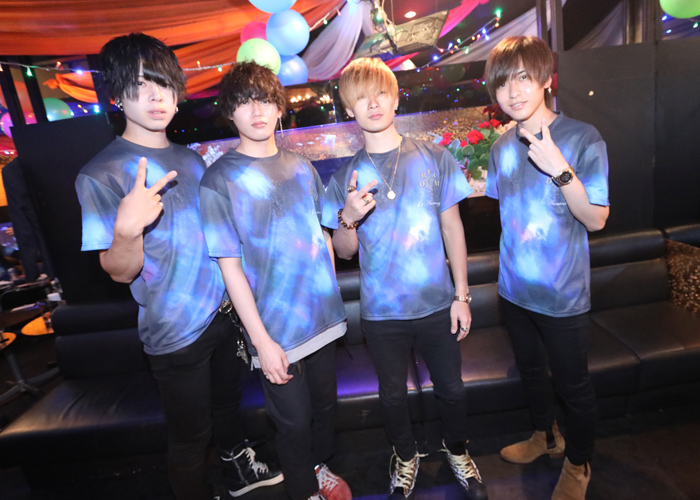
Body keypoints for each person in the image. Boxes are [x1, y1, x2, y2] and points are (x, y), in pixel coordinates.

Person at [75, 33, 282, 500]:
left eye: (164, 84)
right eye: (140, 85)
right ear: (117, 95)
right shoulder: (100, 174)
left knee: (228, 410)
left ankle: (238, 471)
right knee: (190, 438)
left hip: (223, 315)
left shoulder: (190, 158)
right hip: (174, 330)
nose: (156, 97)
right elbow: (119, 272)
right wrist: (127, 230)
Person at [322, 57, 487, 500]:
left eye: (381, 93)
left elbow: (453, 228)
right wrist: (349, 217)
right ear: (349, 109)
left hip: (437, 304)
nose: (373, 104)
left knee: (452, 390)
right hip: (382, 312)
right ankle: (405, 456)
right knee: (392, 397)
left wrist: (462, 295)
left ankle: (457, 451)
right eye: (361, 98)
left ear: (395, 99)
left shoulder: (434, 157)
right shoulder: (345, 177)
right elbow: (344, 251)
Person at [199, 61, 352, 500]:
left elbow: (321, 236)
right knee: (293, 422)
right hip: (276, 330)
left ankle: (319, 467)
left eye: (265, 100)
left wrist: (332, 294)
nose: (257, 111)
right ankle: (303, 490)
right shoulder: (219, 179)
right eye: (245, 102)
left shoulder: (301, 166)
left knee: (325, 409)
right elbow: (229, 266)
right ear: (230, 112)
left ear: (280, 107)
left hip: (324, 318)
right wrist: (261, 341)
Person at [484, 36, 610, 500]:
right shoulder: (501, 147)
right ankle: (545, 436)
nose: (513, 91)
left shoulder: (582, 137)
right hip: (514, 292)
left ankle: (578, 464)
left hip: (564, 296)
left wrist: (560, 168)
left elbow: (595, 219)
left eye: (523, 77)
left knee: (574, 388)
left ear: (546, 80)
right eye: (503, 83)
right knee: (531, 374)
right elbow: (505, 214)